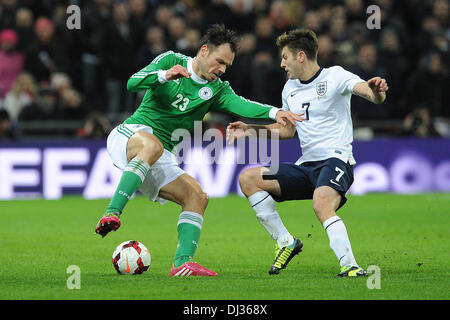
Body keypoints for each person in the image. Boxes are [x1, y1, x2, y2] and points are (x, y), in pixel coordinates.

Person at [94, 24, 302, 277]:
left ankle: (182, 264)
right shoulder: (172, 59)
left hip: (160, 154)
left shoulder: (216, 90)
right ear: (204, 51)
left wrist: (275, 112)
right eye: (219, 62)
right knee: (152, 144)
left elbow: (242, 105)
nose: (222, 70)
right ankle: (112, 213)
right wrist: (164, 75)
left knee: (197, 197)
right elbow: (131, 83)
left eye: (227, 66)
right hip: (130, 135)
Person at [226, 28, 388, 277]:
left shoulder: (335, 76)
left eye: (285, 57)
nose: (282, 64)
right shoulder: (289, 88)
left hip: (336, 160)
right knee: (248, 179)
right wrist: (249, 129)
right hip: (306, 167)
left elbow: (368, 92)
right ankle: (286, 242)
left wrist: (376, 90)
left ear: (300, 56)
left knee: (321, 202)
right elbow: (287, 131)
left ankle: (350, 265)